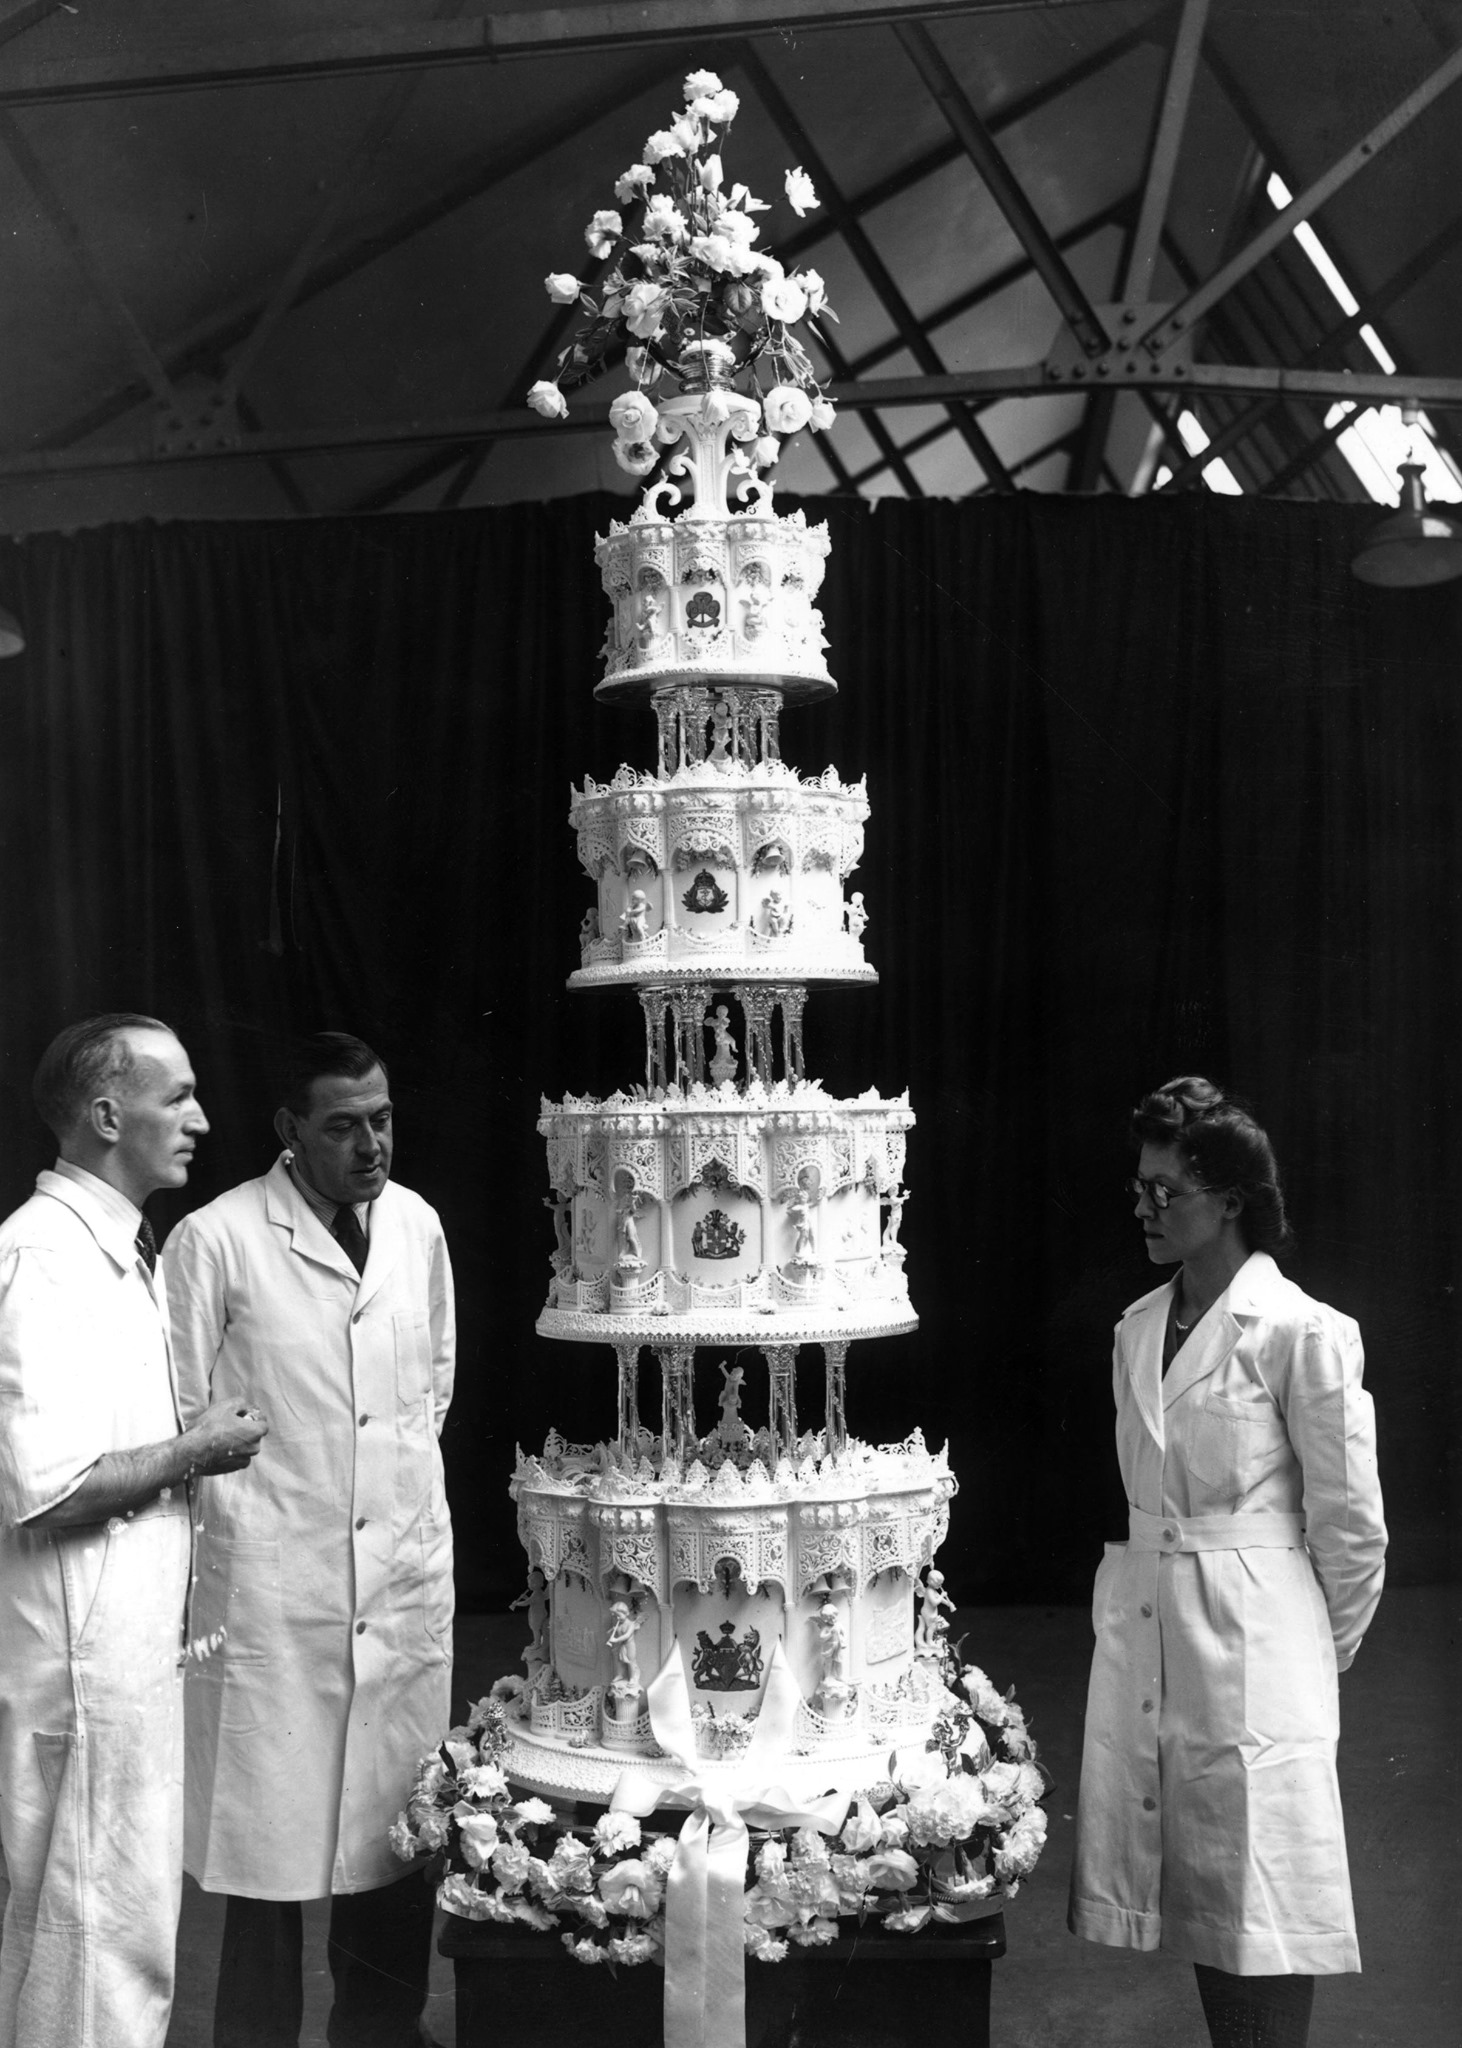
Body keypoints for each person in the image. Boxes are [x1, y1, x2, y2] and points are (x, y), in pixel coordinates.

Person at [1069, 1077, 1387, 2048]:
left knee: (1261, 1893)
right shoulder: (1135, 1328)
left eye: (1166, 1190)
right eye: (1140, 1187)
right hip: (1152, 1629)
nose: (1145, 1206)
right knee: (1203, 1883)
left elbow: (1352, 1528)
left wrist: (1305, 1654)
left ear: (1232, 1200)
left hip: (1257, 1641)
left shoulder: (1301, 1332)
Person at [162, 1032, 455, 2048]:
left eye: (381, 1118)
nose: (371, 1144)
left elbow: (430, 1393)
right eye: (341, 1126)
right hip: (275, 1592)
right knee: (265, 1850)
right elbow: (181, 1416)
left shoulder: (415, 1224)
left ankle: (381, 2034)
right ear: (289, 1129)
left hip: (399, 1577)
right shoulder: (216, 1239)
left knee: (396, 1835)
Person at [0, 1013, 267, 2048]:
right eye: (178, 1097)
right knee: (93, 1945)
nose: (200, 1120)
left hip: (121, 1658)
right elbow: (49, 1487)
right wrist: (196, 1448)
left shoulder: (113, 1248)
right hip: (81, 1668)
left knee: (112, 1938)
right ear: (109, 1116)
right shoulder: (42, 1259)